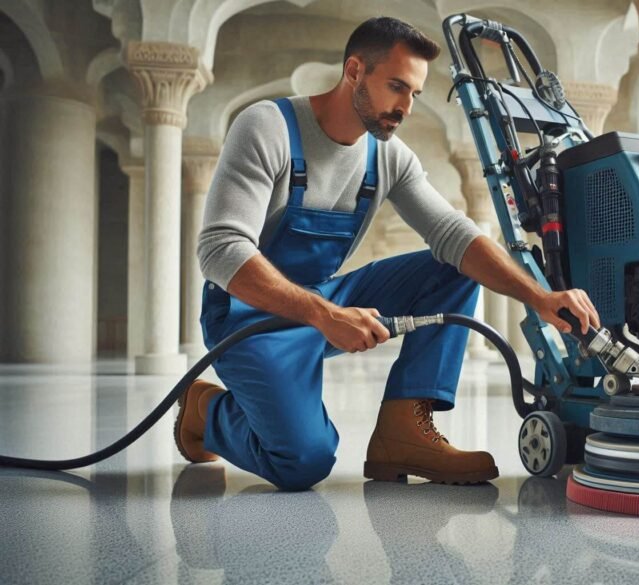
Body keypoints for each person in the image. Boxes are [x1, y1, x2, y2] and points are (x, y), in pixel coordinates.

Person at [174, 16, 600, 491]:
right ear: (354, 71)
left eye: (414, 93)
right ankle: (204, 410)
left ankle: (403, 433)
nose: (406, 107)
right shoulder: (267, 127)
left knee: (456, 266)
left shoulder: (388, 156)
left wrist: (540, 296)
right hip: (246, 316)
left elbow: (454, 234)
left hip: (321, 300)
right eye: (396, 86)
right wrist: (325, 314)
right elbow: (221, 249)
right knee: (302, 462)